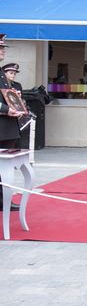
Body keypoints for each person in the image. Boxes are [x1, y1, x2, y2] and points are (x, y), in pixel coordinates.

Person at [0, 35, 25, 211]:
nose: (3, 50)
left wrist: (16, 101)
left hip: (7, 127)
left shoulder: (1, 73)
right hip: (2, 124)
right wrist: (5, 109)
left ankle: (2, 201)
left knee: (3, 168)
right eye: (0, 48)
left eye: (3, 48)